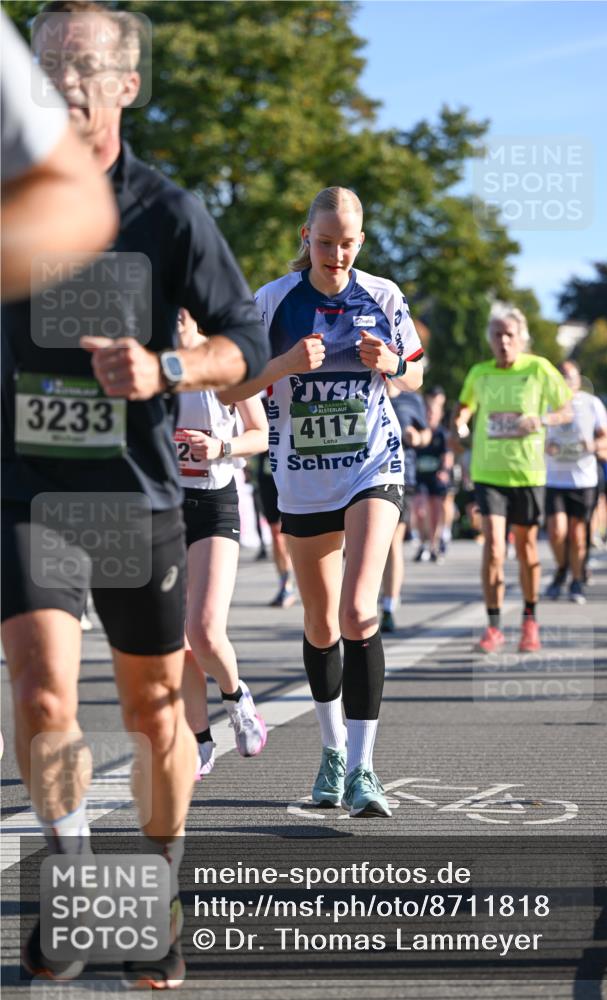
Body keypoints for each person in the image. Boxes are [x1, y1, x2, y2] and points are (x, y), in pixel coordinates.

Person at [1, 2, 268, 988]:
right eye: (44, 67)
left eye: (82, 67)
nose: (61, 83)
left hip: (139, 495)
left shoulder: (168, 213)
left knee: (155, 711)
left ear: (124, 84)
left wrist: (164, 369)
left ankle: (157, 887)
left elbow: (243, 344)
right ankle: (75, 888)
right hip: (27, 491)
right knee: (39, 692)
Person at [223, 186, 424, 817]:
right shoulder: (273, 301)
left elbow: (417, 371)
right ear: (306, 236)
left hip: (371, 463)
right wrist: (282, 363)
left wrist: (392, 361)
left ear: (361, 242)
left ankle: (365, 767)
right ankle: (333, 752)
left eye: (348, 243)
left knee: (360, 611)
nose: (336, 254)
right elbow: (234, 385)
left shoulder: (383, 296)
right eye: (326, 241)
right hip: (303, 475)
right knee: (321, 623)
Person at [174, 309, 268, 778]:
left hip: (215, 502)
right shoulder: (152, 363)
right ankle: (198, 741)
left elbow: (261, 434)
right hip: (163, 507)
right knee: (176, 639)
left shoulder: (225, 361)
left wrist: (220, 448)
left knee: (205, 631)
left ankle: (237, 699)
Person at [451, 305, 571, 654]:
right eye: (497, 335)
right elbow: (465, 406)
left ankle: (530, 621)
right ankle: (493, 627)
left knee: (526, 549)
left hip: (527, 473)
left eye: (509, 335)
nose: (503, 341)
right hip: (488, 473)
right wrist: (460, 422)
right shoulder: (480, 372)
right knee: (493, 548)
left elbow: (566, 410)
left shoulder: (539, 368)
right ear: (489, 339)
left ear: (521, 339)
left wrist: (542, 420)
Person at [1, 12, 117, 301]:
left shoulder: (174, 211)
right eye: (51, 65)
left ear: (128, 85)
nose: (66, 80)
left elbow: (79, 200)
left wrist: (171, 350)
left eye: (86, 65)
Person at [543, 360, 607, 604]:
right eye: (561, 376)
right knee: (556, 532)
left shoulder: (591, 404)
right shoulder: (546, 402)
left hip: (584, 479)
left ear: (578, 380)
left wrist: (593, 445)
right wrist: (545, 446)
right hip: (554, 478)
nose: (565, 381)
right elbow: (535, 434)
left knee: (577, 534)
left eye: (570, 377)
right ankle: (562, 569)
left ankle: (576, 580)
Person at [381, 381, 430, 632]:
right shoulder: (359, 387)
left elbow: (426, 433)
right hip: (357, 476)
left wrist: (417, 437)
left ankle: (388, 606)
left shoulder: (412, 398)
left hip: (401, 476)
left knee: (392, 541)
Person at [256, 397, 298, 608]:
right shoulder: (261, 400)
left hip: (294, 469)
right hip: (267, 472)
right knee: (276, 532)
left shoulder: (298, 393)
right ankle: (285, 584)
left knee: (292, 531)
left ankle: (301, 574)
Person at [413, 386, 452, 563]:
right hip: (420, 476)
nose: (430, 415)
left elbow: (447, 456)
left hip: (436, 477)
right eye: (427, 411)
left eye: (433, 412)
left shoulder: (441, 434)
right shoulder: (418, 432)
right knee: (420, 510)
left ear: (439, 414)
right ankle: (422, 543)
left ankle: (434, 545)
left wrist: (444, 471)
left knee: (436, 510)